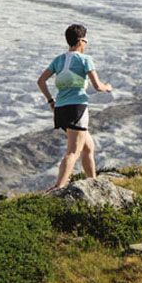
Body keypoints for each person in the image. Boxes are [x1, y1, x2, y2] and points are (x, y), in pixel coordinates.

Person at [37, 23, 115, 190]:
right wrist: (108, 87)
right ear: (80, 41)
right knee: (73, 152)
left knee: (88, 147)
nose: (86, 44)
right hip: (77, 108)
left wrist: (51, 101)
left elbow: (41, 81)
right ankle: (58, 187)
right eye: (86, 41)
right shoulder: (85, 59)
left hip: (60, 110)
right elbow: (97, 86)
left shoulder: (58, 60)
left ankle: (93, 182)